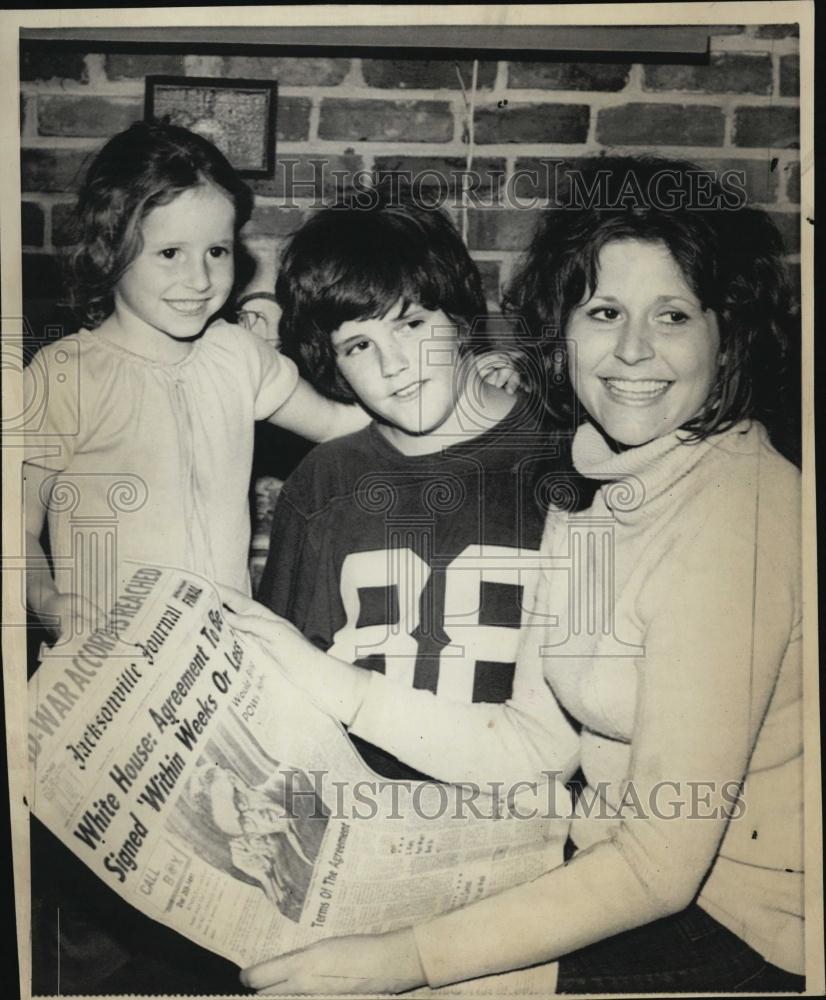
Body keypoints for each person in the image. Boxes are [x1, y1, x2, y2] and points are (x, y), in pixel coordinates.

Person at [228, 157, 804, 994]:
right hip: (612, 882)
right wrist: (329, 685)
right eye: (605, 311)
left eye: (673, 314)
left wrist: (402, 961)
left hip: (739, 928)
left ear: (728, 332)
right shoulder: (590, 484)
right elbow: (533, 742)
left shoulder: (737, 514)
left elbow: (659, 867)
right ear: (561, 328)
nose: (634, 350)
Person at [251, 193, 583, 784]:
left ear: (459, 317)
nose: (395, 364)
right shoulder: (324, 482)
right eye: (359, 346)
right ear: (332, 364)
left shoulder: (568, 460)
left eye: (410, 323)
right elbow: (282, 687)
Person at [23, 120, 371, 643]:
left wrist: (449, 393)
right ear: (108, 249)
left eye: (217, 251)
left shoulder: (235, 354)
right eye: (170, 253)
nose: (201, 280)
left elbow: (339, 424)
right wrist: (48, 601)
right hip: (107, 657)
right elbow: (14, 526)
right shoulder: (63, 375)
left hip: (224, 655)